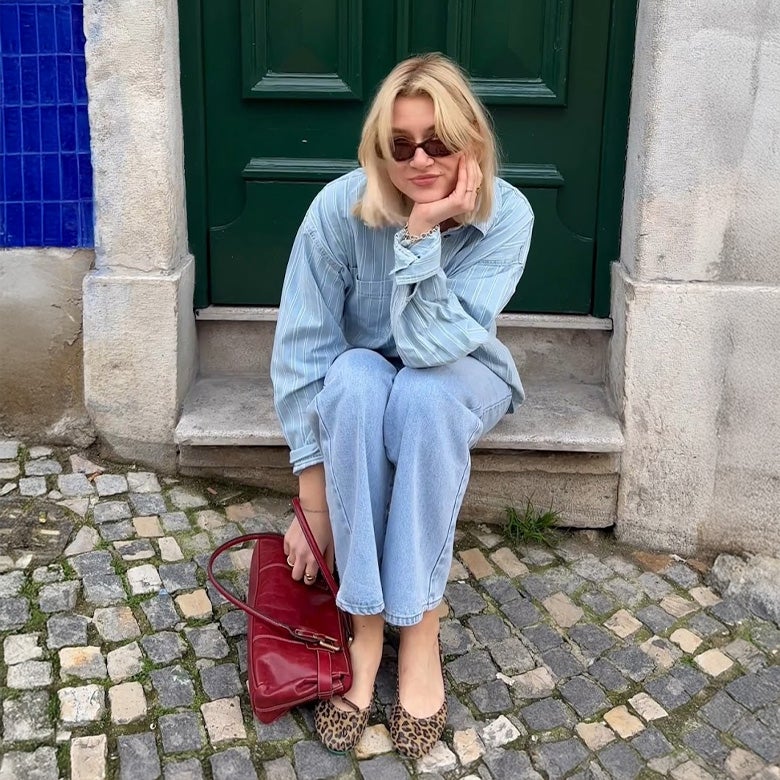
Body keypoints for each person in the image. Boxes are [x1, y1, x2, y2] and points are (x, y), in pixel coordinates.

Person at [270, 52, 534, 757]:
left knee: (420, 394)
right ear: (378, 149)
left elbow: (430, 348)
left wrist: (420, 235)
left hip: (459, 377)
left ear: (469, 139)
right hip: (360, 384)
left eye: (438, 142)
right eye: (400, 144)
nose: (420, 159)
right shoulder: (337, 210)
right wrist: (315, 505)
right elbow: (303, 351)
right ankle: (364, 625)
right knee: (356, 377)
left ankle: (418, 628)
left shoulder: (507, 215)